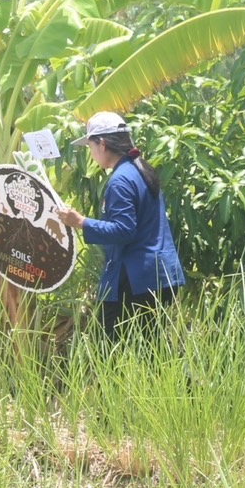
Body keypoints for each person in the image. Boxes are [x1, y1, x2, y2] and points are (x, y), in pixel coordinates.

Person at [57, 112, 185, 340]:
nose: (91, 152)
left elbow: (124, 230)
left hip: (138, 280)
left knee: (110, 350)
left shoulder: (120, 180)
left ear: (102, 144)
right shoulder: (141, 171)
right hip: (161, 275)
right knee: (152, 351)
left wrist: (81, 222)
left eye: (90, 146)